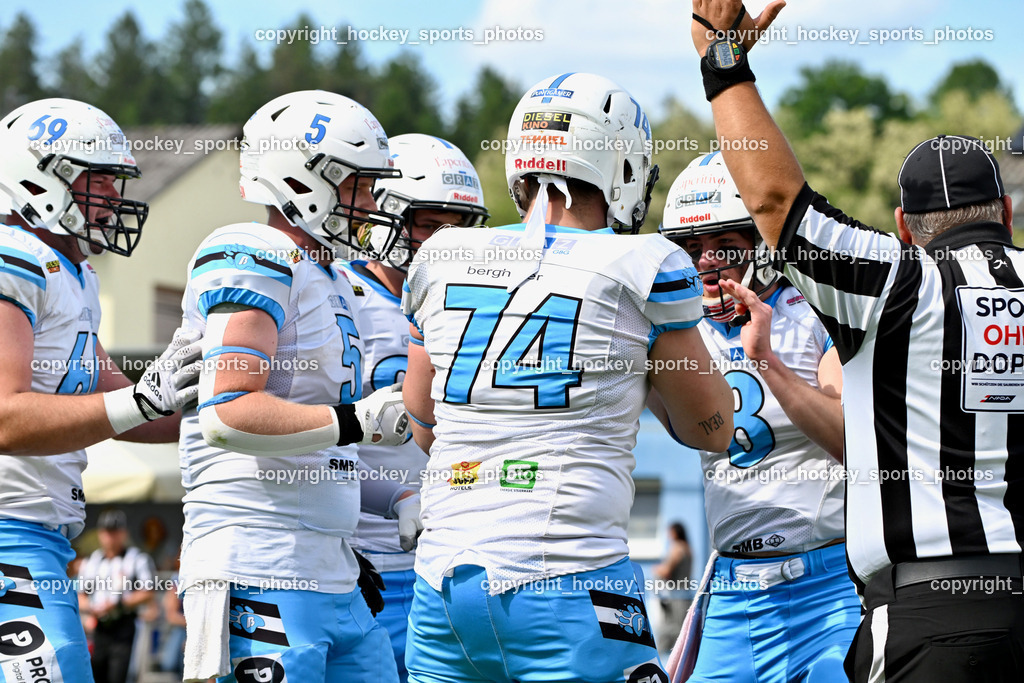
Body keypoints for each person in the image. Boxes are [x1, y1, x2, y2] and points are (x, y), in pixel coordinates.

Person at [688, 1, 1024, 679]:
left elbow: (778, 204)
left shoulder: (900, 281)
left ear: (903, 226)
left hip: (924, 606)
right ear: (1007, 213)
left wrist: (724, 64)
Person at [401, 72, 734, 683]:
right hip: (571, 581)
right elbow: (711, 429)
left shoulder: (440, 257)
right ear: (622, 165)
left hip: (441, 587)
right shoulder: (645, 265)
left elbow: (424, 422)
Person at [177, 89, 414, 683]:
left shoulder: (330, 276)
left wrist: (396, 497)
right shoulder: (255, 252)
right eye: (357, 183)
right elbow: (229, 414)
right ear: (302, 180)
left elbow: (320, 448)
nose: (372, 201)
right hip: (257, 559)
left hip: (328, 564)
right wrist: (359, 419)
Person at [0, 98, 201, 683]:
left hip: (40, 535)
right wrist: (144, 399)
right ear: (36, 175)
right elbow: (6, 420)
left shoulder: (75, 273)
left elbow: (137, 412)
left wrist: (227, 409)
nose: (114, 194)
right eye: (99, 177)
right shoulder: (15, 259)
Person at [656, 153, 859, 681]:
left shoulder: (817, 312)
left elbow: (849, 438)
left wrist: (767, 361)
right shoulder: (677, 333)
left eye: (722, 244)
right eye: (689, 247)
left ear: (762, 241)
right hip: (733, 589)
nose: (704, 262)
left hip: (828, 579)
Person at [346, 132, 489, 682]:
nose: (444, 242)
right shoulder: (338, 296)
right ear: (380, 220)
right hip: (361, 561)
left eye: (458, 227)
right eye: (429, 224)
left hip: (447, 563)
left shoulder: (468, 309)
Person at [77, 509, 157, 683]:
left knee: (120, 674)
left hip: (126, 624)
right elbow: (81, 595)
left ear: (124, 533)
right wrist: (91, 609)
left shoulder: (137, 559)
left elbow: (148, 591)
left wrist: (118, 605)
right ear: (100, 534)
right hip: (99, 626)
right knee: (96, 673)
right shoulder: (92, 561)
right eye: (107, 532)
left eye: (115, 531)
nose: (110, 537)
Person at [651, 522, 693, 654]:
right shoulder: (688, 548)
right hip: (685, 594)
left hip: (674, 596)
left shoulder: (677, 548)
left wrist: (657, 570)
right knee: (682, 632)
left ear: (675, 533)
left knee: (669, 631)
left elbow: (667, 571)